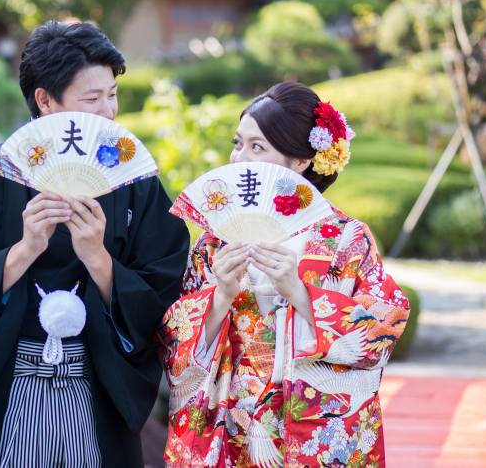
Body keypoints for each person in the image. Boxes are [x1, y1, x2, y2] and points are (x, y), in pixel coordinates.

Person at [0, 21, 190, 468]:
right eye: (92, 99)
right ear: (44, 100)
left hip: (97, 385)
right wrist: (23, 251)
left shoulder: (133, 181)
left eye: (112, 94)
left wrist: (99, 260)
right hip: (6, 383)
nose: (108, 111)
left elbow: (167, 288)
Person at [157, 82, 410, 468]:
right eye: (237, 143)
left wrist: (300, 293)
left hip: (314, 427)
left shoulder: (346, 239)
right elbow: (173, 341)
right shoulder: (214, 240)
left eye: (257, 147)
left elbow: (383, 328)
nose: (239, 158)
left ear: (301, 161)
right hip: (232, 423)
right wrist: (220, 296)